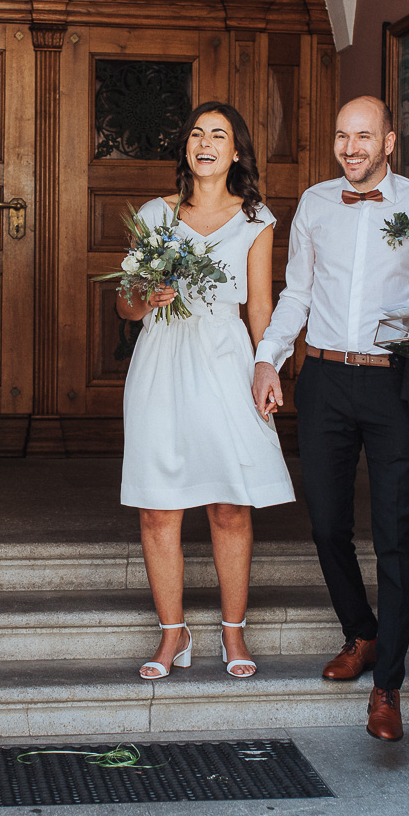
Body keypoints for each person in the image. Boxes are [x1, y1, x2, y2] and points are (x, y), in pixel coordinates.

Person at [250, 95, 409, 741]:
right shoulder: (315, 203)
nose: (351, 148)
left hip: (394, 382)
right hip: (325, 380)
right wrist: (267, 360)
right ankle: (361, 631)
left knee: (397, 536)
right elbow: (297, 294)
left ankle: (388, 687)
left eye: (364, 136)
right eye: (342, 136)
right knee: (325, 524)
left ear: (389, 142)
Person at [119, 101, 296, 681]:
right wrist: (150, 296)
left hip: (224, 361)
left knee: (230, 502)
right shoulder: (155, 214)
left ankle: (232, 631)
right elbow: (126, 302)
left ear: (235, 151)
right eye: (197, 133)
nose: (205, 142)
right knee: (157, 508)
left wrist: (266, 367)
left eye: (218, 134)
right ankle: (173, 634)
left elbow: (262, 307)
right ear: (186, 149)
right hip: (161, 361)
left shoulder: (256, 220)